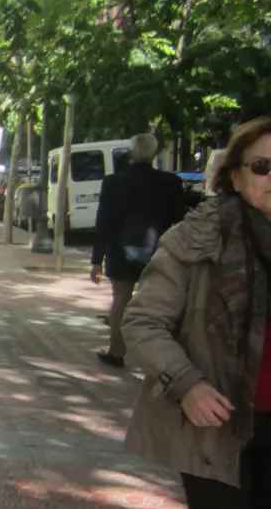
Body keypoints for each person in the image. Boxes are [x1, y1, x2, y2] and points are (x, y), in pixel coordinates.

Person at [123, 117, 271, 508]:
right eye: (263, 166)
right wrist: (186, 384)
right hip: (219, 427)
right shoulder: (196, 239)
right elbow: (142, 322)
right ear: (235, 175)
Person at [90, 133, 186, 368]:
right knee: (155, 306)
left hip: (120, 254)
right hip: (158, 254)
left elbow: (104, 223)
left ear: (131, 152)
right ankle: (154, 358)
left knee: (121, 303)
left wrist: (96, 261)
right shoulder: (170, 183)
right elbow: (180, 221)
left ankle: (117, 352)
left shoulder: (113, 183)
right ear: (154, 153)